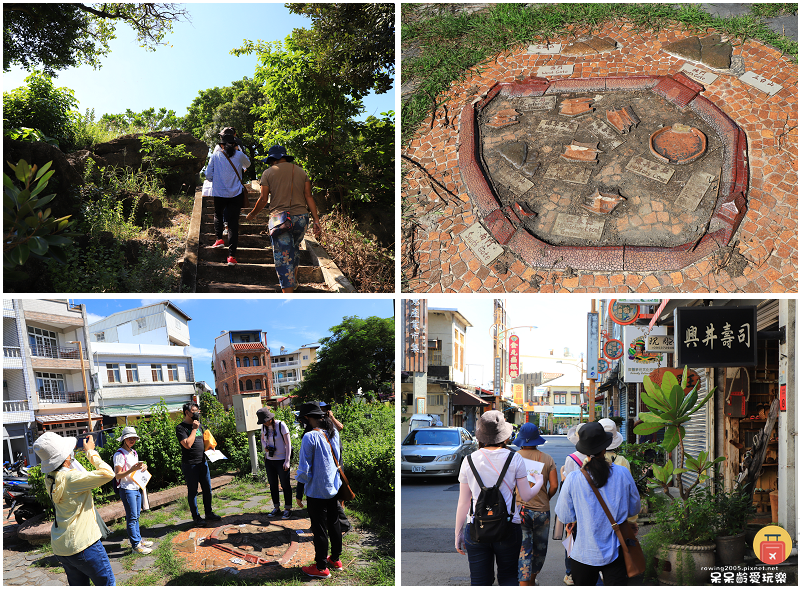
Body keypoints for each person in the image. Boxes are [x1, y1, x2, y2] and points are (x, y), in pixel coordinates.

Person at [454, 410, 544, 586]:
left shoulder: (469, 460)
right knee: (509, 578)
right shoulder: (514, 458)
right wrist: (539, 482)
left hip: (476, 528)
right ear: (504, 436)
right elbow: (526, 495)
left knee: (480, 581)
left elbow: (464, 501)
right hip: (509, 527)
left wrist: (458, 533)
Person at [555, 422, 640, 586]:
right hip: (617, 549)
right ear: (605, 447)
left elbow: (565, 515)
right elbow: (634, 508)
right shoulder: (622, 473)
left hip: (583, 553)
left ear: (584, 451)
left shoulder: (573, 478)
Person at [33, 431, 116, 586]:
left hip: (62, 546)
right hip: (84, 545)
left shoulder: (50, 478)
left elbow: (63, 469)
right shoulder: (71, 479)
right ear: (65, 458)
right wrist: (91, 452)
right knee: (107, 584)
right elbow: (108, 474)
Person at [245, 145, 322, 293]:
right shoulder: (301, 171)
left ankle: (288, 294)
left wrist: (252, 214)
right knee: (294, 249)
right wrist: (316, 220)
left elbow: (262, 199)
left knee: (283, 257)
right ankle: (294, 282)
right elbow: (308, 196)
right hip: (301, 219)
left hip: (280, 220)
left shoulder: (268, 173)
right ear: (285, 157)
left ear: (272, 159)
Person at [296, 402, 343, 579]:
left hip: (316, 490)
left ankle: (321, 567)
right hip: (333, 487)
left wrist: (299, 492)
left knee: (319, 529)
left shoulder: (309, 437)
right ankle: (335, 559)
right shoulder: (333, 433)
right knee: (334, 522)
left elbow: (304, 469)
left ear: (307, 418)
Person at [514, 423, 558, 586]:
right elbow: (554, 485)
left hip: (520, 510)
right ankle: (531, 581)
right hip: (541, 511)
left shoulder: (514, 457)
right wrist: (546, 497)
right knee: (539, 549)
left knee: (524, 549)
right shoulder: (547, 459)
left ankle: (524, 584)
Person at [205, 129, 251, 266]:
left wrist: (217, 179)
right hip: (236, 193)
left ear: (222, 145)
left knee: (218, 214)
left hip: (219, 192)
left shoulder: (215, 156)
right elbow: (247, 165)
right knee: (233, 225)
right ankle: (231, 257)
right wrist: (239, 152)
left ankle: (219, 239)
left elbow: (208, 175)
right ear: (234, 143)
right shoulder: (239, 155)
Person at [175, 402, 222, 525]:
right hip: (190, 465)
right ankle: (196, 518)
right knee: (193, 491)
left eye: (198, 411)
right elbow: (187, 444)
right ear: (187, 413)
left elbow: (202, 442)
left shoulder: (200, 426)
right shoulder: (181, 428)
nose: (197, 413)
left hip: (202, 462)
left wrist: (210, 448)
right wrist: (194, 429)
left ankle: (209, 513)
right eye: (194, 411)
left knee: (208, 489)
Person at [113, 427, 152, 554]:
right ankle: (136, 546)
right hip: (127, 489)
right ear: (124, 439)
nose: (132, 440)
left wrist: (143, 467)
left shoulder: (134, 453)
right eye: (130, 438)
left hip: (136, 487)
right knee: (132, 517)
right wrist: (132, 469)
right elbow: (117, 475)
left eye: (134, 438)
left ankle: (138, 540)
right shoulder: (119, 454)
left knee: (137, 516)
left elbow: (136, 469)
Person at [561, 423, 588, 586]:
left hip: (576, 507)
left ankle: (570, 573)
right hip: (594, 506)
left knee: (571, 537)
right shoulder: (599, 456)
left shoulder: (572, 458)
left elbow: (567, 486)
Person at [257, 407, 293, 519]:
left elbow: (288, 443)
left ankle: (288, 508)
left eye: (266, 420)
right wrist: (265, 447)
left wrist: (287, 460)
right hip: (269, 460)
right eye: (263, 421)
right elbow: (262, 439)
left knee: (285, 484)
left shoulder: (281, 425)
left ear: (271, 418)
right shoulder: (264, 427)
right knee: (273, 485)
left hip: (281, 460)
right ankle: (276, 507)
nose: (265, 423)